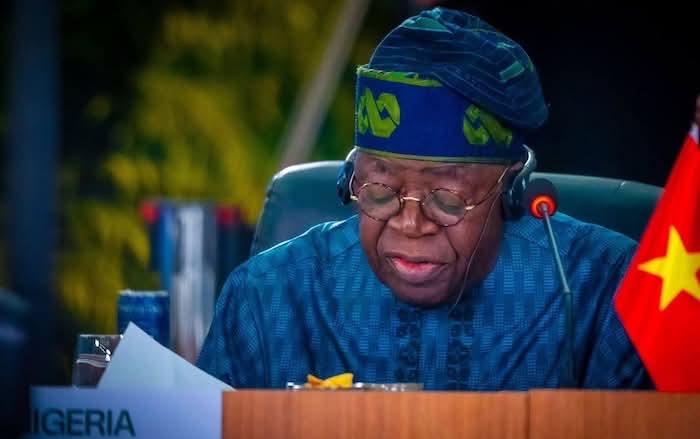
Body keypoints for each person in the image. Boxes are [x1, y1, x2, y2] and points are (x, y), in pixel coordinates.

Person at [197, 6, 654, 390]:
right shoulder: (268, 295)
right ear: (350, 179)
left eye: (448, 198)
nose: (411, 224)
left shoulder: (609, 289)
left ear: (511, 188)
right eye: (380, 192)